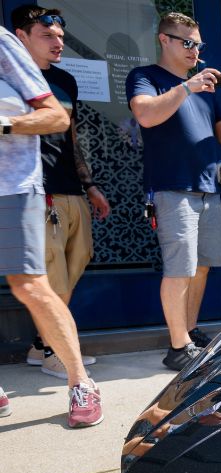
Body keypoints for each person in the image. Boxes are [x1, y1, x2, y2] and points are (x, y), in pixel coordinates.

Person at [126, 12, 221, 370]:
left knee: (201, 267)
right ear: (164, 39)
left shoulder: (207, 90)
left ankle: (190, 333)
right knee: (179, 268)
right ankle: (177, 348)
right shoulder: (146, 77)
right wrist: (186, 88)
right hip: (172, 187)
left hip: (209, 188)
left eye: (198, 45)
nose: (195, 51)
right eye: (187, 43)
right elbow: (145, 116)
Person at [0, 21, 101, 427]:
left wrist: (5, 125)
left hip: (12, 187)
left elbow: (56, 117)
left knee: (30, 285)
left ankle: (81, 381)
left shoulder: (3, 44)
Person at [13, 5, 109, 379]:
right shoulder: (9, 80)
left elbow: (71, 139)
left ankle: (40, 345)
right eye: (47, 35)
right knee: (52, 276)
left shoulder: (66, 81)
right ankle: (56, 350)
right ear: (21, 36)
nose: (58, 43)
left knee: (76, 262)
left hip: (71, 187)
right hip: (35, 191)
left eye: (61, 38)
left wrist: (90, 185)